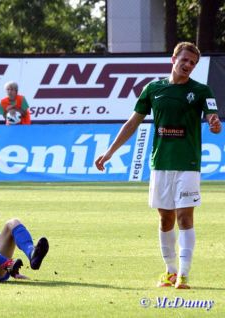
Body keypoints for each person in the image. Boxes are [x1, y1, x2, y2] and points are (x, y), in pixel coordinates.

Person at [94, 42, 222, 290]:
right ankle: (170, 271)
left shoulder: (202, 91)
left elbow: (212, 119)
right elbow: (132, 122)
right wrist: (110, 152)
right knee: (165, 219)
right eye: (184, 60)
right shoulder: (153, 89)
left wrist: (215, 124)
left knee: (185, 216)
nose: (188, 66)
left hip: (188, 163)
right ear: (173, 59)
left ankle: (184, 273)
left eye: (192, 63)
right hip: (161, 162)